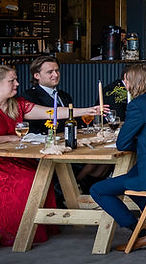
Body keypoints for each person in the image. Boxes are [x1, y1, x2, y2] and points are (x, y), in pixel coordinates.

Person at [0, 65, 105, 247]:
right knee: (28, 180)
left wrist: (87, 110)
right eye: (12, 80)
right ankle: (18, 231)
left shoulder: (16, 105)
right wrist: (8, 138)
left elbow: (52, 112)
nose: (17, 83)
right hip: (3, 162)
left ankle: (39, 224)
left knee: (43, 173)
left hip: (18, 158)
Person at [89, 65, 146, 251]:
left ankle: (140, 233)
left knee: (98, 190)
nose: (126, 85)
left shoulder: (138, 104)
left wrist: (139, 141)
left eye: (128, 81)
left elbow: (122, 144)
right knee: (131, 182)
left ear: (136, 82)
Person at [22, 56, 73, 134]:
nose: (56, 75)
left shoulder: (64, 95)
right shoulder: (29, 96)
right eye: (50, 72)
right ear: (37, 76)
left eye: (57, 70)